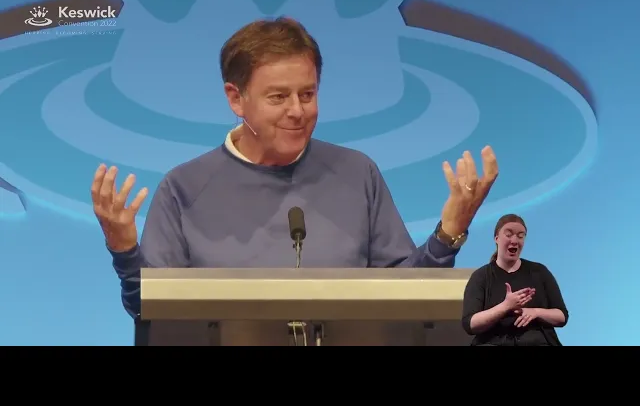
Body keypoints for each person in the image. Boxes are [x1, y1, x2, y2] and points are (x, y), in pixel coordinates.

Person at [91, 17, 500, 319]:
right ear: (236, 99)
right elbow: (152, 312)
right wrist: (124, 250)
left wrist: (449, 233)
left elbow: (406, 300)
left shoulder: (357, 173)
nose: (297, 111)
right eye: (278, 97)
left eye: (307, 94)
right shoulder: (184, 188)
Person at [461, 213, 569, 346]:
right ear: (496, 238)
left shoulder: (539, 272)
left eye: (520, 236)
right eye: (508, 234)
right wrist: (506, 306)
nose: (515, 240)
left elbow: (561, 316)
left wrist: (535, 312)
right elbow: (470, 324)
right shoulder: (481, 276)